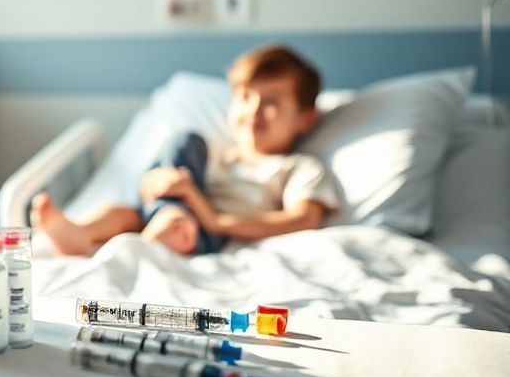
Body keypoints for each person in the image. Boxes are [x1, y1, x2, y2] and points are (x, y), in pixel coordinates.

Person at [31, 45, 339, 257]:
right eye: (245, 97)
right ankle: (79, 233)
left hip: (210, 233)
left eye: (271, 102)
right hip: (162, 216)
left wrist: (213, 218)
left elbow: (302, 220)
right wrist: (154, 184)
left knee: (181, 166)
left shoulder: (298, 167)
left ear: (306, 118)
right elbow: (156, 186)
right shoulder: (213, 153)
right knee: (129, 206)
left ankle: (169, 226)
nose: (254, 110)